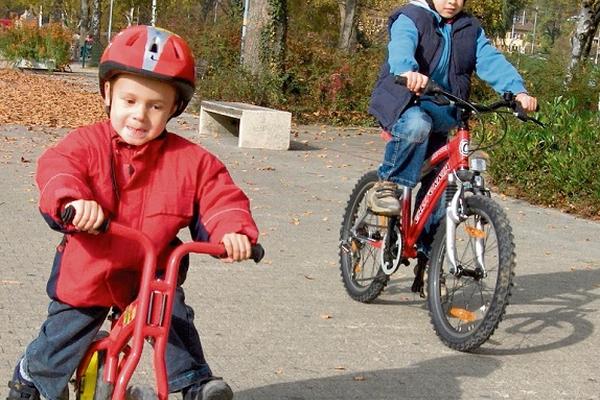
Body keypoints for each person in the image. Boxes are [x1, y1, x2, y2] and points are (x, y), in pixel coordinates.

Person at [7, 25, 258, 400]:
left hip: (151, 273)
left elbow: (219, 196)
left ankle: (194, 383)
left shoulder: (190, 161)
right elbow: (58, 169)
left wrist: (232, 232)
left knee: (171, 317)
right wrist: (72, 201)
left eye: (155, 106)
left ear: (174, 107)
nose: (140, 116)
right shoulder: (86, 144)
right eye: (129, 101)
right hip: (90, 269)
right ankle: (31, 379)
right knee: (65, 335)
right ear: (108, 94)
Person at [367, 0, 537, 291]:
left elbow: (490, 60)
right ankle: (386, 184)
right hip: (406, 102)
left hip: (445, 111)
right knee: (417, 126)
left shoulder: (469, 29)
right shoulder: (413, 16)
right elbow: (402, 46)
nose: (452, 1)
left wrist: (517, 91)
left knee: (444, 186)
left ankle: (427, 260)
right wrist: (408, 71)